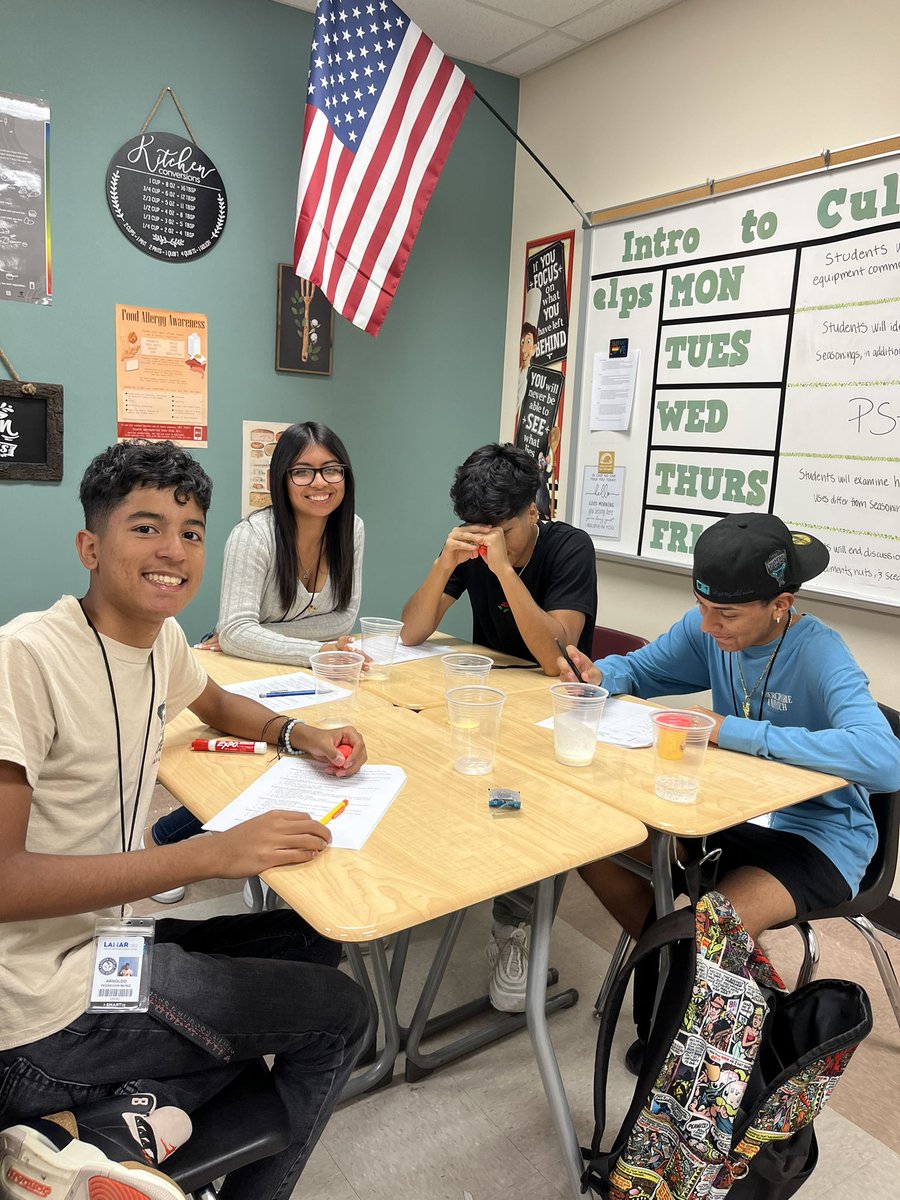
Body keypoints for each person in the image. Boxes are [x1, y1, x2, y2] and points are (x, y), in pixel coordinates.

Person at [0, 441, 369, 1200]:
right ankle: (80, 1115)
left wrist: (303, 735)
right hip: (37, 1006)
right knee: (340, 1015)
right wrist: (207, 855)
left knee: (306, 942)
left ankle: (100, 1127)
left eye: (191, 531)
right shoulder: (25, 658)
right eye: (145, 528)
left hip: (104, 948)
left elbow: (220, 703)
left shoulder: (160, 640)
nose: (174, 550)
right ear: (90, 547)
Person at [559, 512, 900, 1069]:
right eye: (702, 606)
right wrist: (600, 676)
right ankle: (685, 981)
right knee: (589, 843)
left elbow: (886, 760)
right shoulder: (709, 631)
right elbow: (639, 670)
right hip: (731, 816)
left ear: (780, 605)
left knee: (713, 927)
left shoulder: (820, 652)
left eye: (728, 614)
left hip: (820, 837)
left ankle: (700, 1027)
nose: (709, 624)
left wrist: (735, 732)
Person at [400, 443, 598, 1012]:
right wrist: (445, 562)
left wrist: (506, 572)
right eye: (477, 530)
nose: (489, 543)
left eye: (504, 532)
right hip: (490, 698)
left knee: (517, 800)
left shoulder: (568, 549)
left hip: (552, 707)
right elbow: (412, 632)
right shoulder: (474, 543)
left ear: (533, 512)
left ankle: (514, 931)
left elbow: (555, 656)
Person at [149, 420, 366, 902]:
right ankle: (168, 838)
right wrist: (313, 648)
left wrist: (288, 641)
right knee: (259, 753)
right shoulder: (255, 535)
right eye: (303, 472)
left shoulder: (352, 530)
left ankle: (274, 854)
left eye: (332, 470)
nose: (320, 483)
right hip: (248, 666)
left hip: (304, 665)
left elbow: (345, 615)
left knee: (320, 748)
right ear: (281, 479)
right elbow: (237, 630)